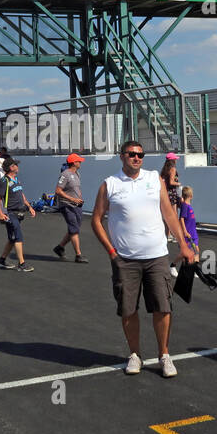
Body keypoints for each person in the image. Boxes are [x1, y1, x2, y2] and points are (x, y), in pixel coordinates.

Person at [90, 139, 196, 378]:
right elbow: (96, 220)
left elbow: (169, 214)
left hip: (157, 256)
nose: (136, 158)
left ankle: (164, 356)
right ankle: (135, 354)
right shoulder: (110, 185)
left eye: (140, 154)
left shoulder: (154, 179)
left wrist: (184, 245)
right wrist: (112, 252)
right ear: (122, 156)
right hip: (125, 259)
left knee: (163, 307)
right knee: (128, 309)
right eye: (131, 154)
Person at [0, 159, 36, 271]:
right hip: (10, 213)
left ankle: (2, 260)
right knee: (18, 237)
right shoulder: (4, 181)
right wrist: (0, 213)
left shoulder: (16, 179)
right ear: (11, 167)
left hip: (18, 212)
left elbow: (21, 195)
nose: (17, 166)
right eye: (15, 165)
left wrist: (29, 207)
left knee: (12, 238)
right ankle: (21, 264)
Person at [52, 153, 88, 262]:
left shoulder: (77, 174)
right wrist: (72, 199)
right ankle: (78, 255)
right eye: (79, 161)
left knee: (74, 228)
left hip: (76, 205)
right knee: (74, 229)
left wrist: (79, 198)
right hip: (66, 205)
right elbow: (58, 191)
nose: (80, 162)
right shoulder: (65, 174)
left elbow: (77, 188)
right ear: (74, 162)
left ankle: (60, 247)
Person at [160, 153, 182, 242]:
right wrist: (179, 184)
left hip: (165, 193)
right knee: (174, 215)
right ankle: (174, 235)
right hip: (171, 193)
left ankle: (168, 235)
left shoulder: (164, 170)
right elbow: (171, 182)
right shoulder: (173, 169)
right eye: (175, 159)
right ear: (173, 160)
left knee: (167, 215)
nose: (176, 160)